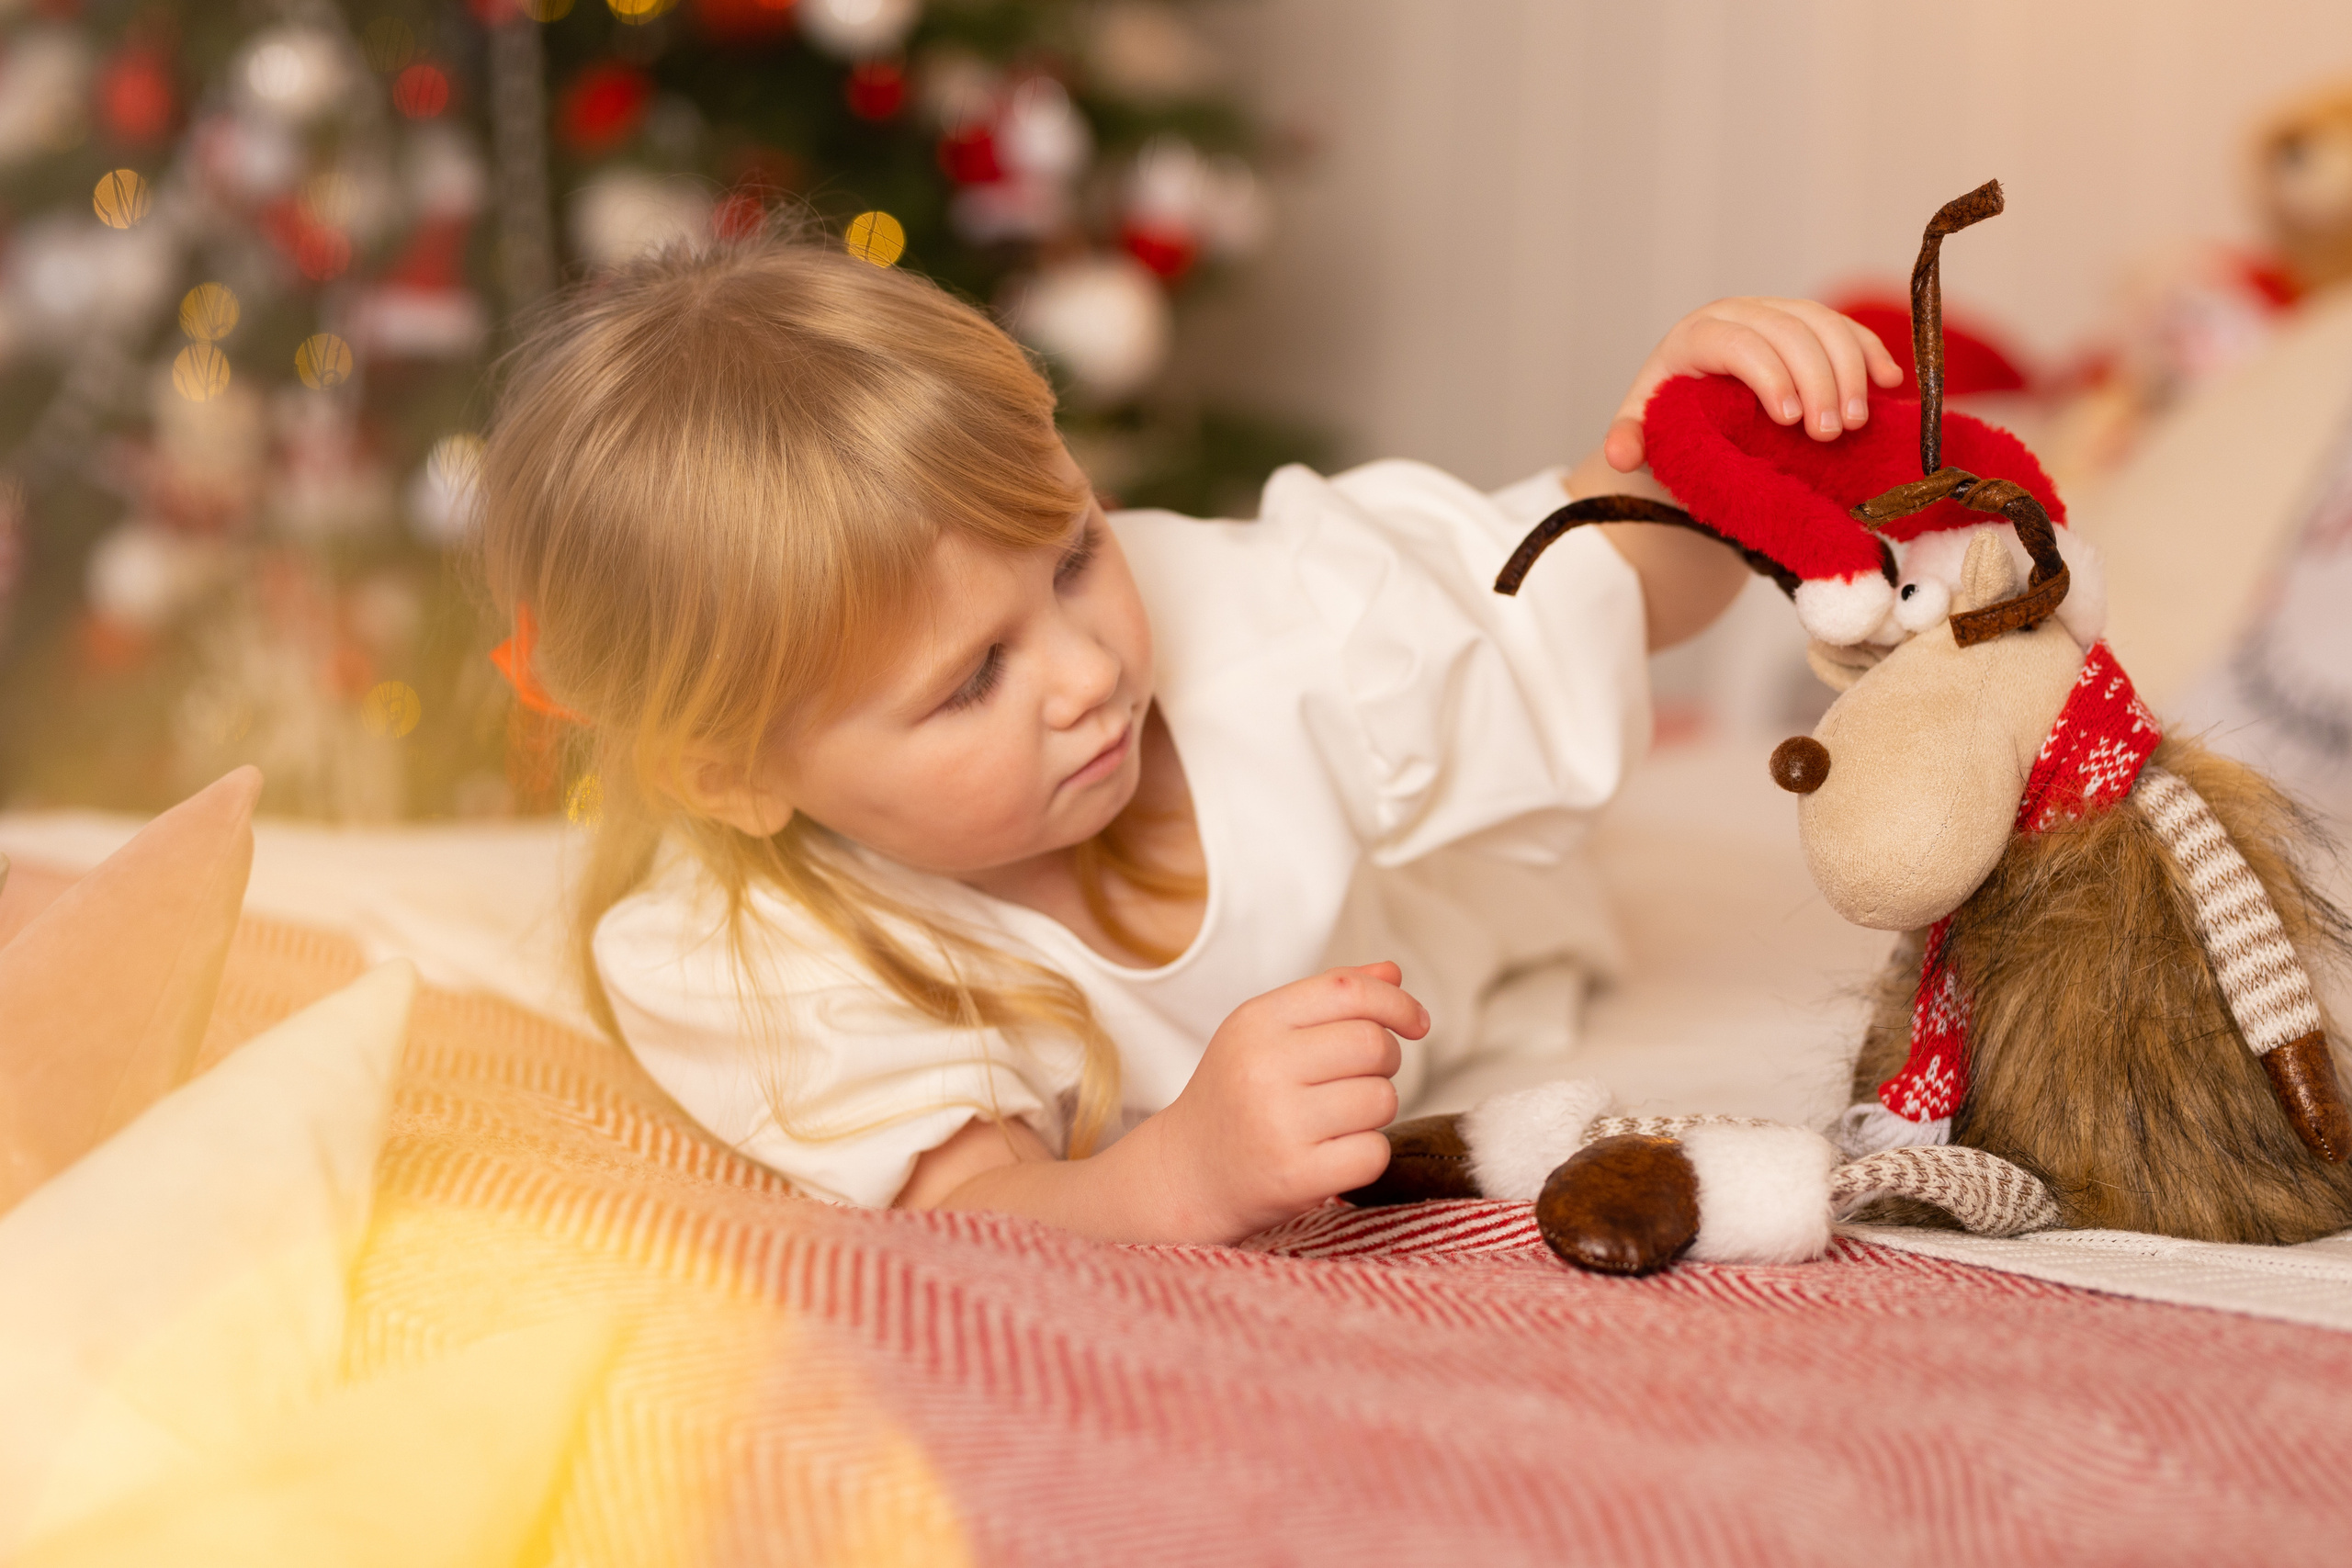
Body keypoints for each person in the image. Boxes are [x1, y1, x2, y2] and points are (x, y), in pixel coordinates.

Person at [479, 234, 1899, 1246]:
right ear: (729, 774)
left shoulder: (1252, 617)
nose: (1089, 669)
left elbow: (1604, 601)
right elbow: (980, 1208)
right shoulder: (751, 954)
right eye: (971, 680)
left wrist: (1681, 464)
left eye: (1076, 552)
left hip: (1486, 937)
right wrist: (1179, 1174)